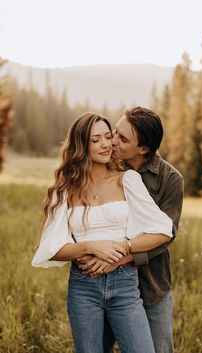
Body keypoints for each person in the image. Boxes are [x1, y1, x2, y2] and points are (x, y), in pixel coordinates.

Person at [31, 112, 174, 353]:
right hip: (84, 287)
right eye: (96, 140)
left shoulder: (127, 180)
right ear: (81, 145)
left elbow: (163, 231)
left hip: (125, 285)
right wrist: (90, 247)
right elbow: (52, 249)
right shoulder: (64, 191)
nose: (106, 144)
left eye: (108, 136)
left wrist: (123, 249)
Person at [79, 107, 184, 353]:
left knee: (157, 349)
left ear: (143, 149)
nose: (111, 141)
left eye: (122, 138)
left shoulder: (170, 179)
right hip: (103, 280)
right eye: (115, 132)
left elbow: (166, 236)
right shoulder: (106, 167)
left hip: (151, 283)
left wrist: (121, 258)